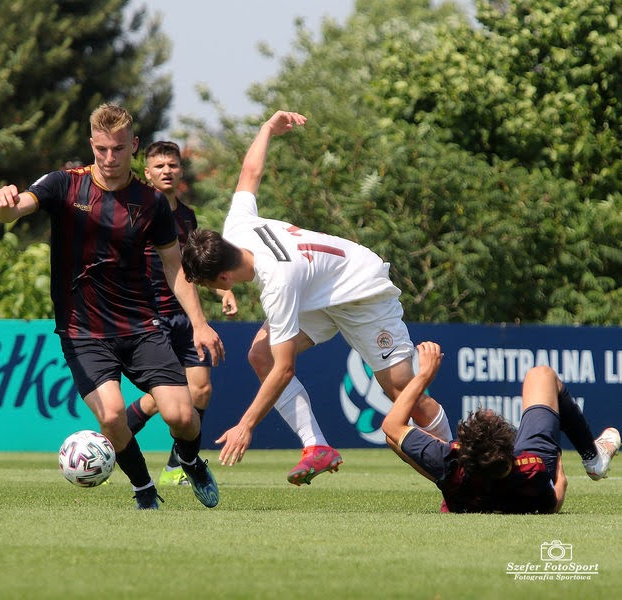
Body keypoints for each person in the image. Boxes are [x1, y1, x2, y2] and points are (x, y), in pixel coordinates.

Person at [181, 110, 453, 484]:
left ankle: (458, 475)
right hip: (317, 292)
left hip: (361, 291)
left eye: (214, 285)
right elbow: (250, 174)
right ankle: (316, 447)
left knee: (404, 392)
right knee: (259, 353)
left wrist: (246, 425)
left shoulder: (277, 282)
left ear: (224, 274)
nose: (216, 291)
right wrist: (266, 129)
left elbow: (285, 369)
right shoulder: (236, 229)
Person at [0, 104, 224, 510]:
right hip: (83, 330)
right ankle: (143, 490)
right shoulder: (65, 184)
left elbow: (174, 268)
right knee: (113, 415)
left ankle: (190, 460)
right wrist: (5, 205)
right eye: (102, 149)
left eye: (118, 149)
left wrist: (200, 323)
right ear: (91, 145)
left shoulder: (150, 202)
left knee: (182, 417)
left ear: (134, 146)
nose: (110, 158)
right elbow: (18, 209)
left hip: (140, 326)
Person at [382, 341, 620, 513]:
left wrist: (424, 375)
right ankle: (592, 457)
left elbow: (391, 427)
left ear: (461, 452)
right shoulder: (532, 469)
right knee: (541, 374)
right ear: (511, 443)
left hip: (463, 491)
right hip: (529, 466)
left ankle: (440, 480)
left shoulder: (450, 466)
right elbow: (554, 502)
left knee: (395, 439)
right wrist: (561, 482)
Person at [125, 141, 238, 487]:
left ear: (180, 170)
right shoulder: (138, 210)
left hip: (185, 315)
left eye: (172, 165)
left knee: (200, 390)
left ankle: (178, 464)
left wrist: (224, 289)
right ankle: (114, 433)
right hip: (149, 313)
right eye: (158, 166)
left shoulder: (187, 216)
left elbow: (191, 268)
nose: (166, 171)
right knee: (170, 392)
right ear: (147, 172)